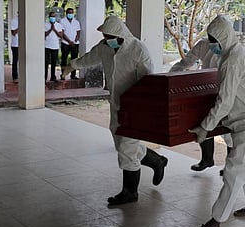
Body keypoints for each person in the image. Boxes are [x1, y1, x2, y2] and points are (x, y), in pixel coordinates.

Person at [62, 16, 168, 206]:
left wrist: (144, 108)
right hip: (116, 103)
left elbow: (147, 80)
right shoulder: (105, 47)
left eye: (109, 36)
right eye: (104, 36)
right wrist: (72, 66)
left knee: (127, 148)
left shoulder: (138, 50)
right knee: (122, 144)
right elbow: (90, 58)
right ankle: (157, 161)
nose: (106, 39)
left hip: (135, 106)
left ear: (120, 35)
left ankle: (130, 192)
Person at [188, 15, 245, 227]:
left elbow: (224, 100)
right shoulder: (235, 53)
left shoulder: (233, 59)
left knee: (234, 170)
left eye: (214, 40)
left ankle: (216, 220)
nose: (211, 44)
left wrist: (205, 127)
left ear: (224, 38)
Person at [169, 38, 233, 173]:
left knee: (228, 129)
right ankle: (207, 159)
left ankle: (230, 166)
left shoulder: (232, 47)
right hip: (206, 87)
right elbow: (187, 61)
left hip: (227, 88)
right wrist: (171, 77)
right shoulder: (204, 44)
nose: (213, 41)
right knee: (204, 123)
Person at [59, 8, 81, 80]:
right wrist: (69, 41)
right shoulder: (62, 21)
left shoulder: (76, 22)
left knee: (74, 60)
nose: (70, 14)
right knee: (64, 59)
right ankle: (63, 74)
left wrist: (77, 38)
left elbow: (78, 31)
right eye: (69, 13)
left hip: (75, 43)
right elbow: (62, 33)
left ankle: (73, 75)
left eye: (71, 13)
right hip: (65, 43)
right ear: (66, 13)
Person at [44, 12, 63, 82]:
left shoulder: (59, 25)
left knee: (53, 62)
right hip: (47, 46)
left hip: (55, 46)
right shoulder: (45, 25)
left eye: (54, 17)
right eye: (51, 16)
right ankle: (44, 77)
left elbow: (61, 36)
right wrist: (50, 29)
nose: (53, 18)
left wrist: (54, 30)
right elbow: (44, 34)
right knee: (46, 62)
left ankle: (53, 77)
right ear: (49, 17)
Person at [10, 14, 19, 84]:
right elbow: (13, 32)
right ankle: (15, 77)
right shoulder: (14, 21)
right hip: (16, 44)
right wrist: (21, 25)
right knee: (15, 61)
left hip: (24, 43)